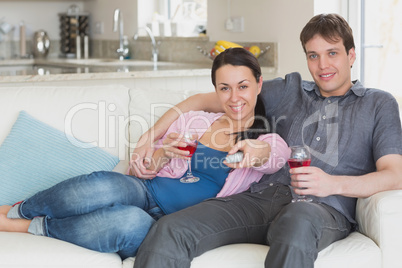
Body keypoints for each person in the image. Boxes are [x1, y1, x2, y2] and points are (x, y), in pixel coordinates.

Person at [131, 13, 402, 267]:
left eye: (332, 53)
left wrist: (332, 183)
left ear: (351, 55)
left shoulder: (379, 104)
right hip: (258, 197)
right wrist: (149, 136)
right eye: (313, 55)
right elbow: (203, 100)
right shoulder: (289, 90)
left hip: (321, 208)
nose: (323, 65)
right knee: (171, 228)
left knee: (296, 225)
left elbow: (395, 175)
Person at [0, 48, 290, 259]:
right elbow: (141, 168)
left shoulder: (266, 136)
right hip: (146, 190)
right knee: (104, 185)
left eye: (243, 86)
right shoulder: (195, 120)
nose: (234, 97)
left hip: (168, 224)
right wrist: (162, 153)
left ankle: (32, 226)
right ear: (216, 89)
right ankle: (18, 208)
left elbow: (276, 155)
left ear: (259, 84)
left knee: (126, 222)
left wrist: (258, 150)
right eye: (225, 88)